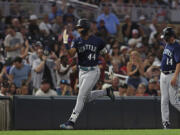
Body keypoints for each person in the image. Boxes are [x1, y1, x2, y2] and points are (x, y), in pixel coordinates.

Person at [59, 18, 115, 129]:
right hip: (82, 71)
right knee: (87, 98)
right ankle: (106, 92)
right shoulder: (77, 40)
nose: (79, 29)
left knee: (80, 96)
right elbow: (71, 54)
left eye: (80, 27)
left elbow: (107, 56)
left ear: (86, 28)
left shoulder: (98, 41)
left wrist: (109, 67)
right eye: (78, 28)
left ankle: (71, 122)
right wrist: (65, 43)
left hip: (93, 71)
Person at [160, 27, 180, 129]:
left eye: (166, 37)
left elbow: (179, 63)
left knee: (174, 101)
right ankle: (165, 123)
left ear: (172, 37)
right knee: (164, 100)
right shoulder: (168, 44)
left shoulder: (176, 46)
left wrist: (175, 77)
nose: (165, 39)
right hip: (163, 74)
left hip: (172, 75)